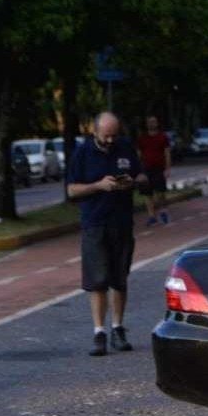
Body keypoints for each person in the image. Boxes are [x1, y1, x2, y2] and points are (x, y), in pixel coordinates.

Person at [66, 112, 146, 356]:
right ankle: (99, 331)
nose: (110, 140)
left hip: (121, 221)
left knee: (119, 279)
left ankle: (118, 328)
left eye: (114, 135)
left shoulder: (125, 147)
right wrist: (98, 186)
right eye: (106, 136)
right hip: (95, 223)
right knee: (97, 280)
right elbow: (71, 190)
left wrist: (133, 181)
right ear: (95, 131)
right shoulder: (82, 152)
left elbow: (141, 174)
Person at [137, 115, 171, 225]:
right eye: (149, 122)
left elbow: (167, 153)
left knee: (160, 193)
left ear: (157, 123)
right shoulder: (142, 138)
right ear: (146, 124)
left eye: (154, 122)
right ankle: (152, 216)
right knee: (147, 193)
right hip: (146, 169)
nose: (152, 124)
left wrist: (167, 168)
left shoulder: (163, 137)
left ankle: (163, 210)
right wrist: (139, 170)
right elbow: (139, 154)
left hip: (159, 169)